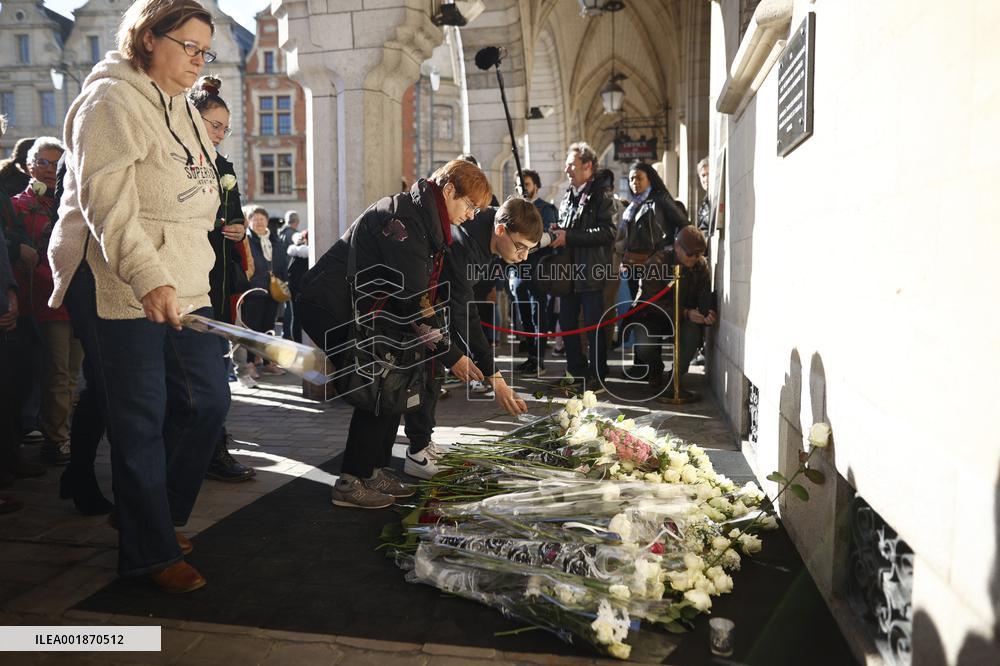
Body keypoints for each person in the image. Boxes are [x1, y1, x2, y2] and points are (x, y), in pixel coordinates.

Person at [47, 0, 230, 593]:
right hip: (116, 280)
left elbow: (195, 193)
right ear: (149, 38)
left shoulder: (182, 104)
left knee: (206, 401)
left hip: (185, 278)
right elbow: (108, 205)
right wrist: (150, 276)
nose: (199, 61)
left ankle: (149, 515)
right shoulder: (111, 101)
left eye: (207, 50)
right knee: (139, 418)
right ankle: (148, 552)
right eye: (190, 47)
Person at [297, 159, 493, 509]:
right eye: (470, 205)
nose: (472, 215)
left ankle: (374, 470)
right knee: (377, 382)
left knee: (392, 379)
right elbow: (414, 301)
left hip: (364, 307)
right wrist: (452, 356)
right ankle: (350, 481)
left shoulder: (424, 219)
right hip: (330, 304)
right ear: (448, 191)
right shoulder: (403, 221)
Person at [404, 197, 540, 478]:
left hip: (433, 306)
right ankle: (416, 452)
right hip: (415, 310)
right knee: (421, 378)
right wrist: (495, 377)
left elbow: (466, 307)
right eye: (521, 248)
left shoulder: (488, 234)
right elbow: (466, 314)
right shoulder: (466, 243)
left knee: (432, 377)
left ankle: (423, 443)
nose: (524, 257)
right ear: (501, 231)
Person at [188, 76, 255, 483]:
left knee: (213, 369)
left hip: (217, 280)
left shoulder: (225, 167)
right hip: (186, 278)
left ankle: (213, 447)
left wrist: (239, 229)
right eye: (215, 125)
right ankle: (210, 449)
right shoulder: (179, 160)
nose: (220, 134)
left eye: (225, 128)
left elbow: (236, 214)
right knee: (204, 378)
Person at [10, 137, 84, 467]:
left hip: (75, 299)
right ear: (29, 165)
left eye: (56, 164)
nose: (50, 170)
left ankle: (59, 434)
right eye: (43, 162)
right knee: (56, 375)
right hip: (43, 301)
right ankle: (57, 439)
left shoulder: (70, 203)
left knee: (71, 374)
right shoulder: (16, 206)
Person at [0, 114, 46, 515]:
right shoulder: (10, 191)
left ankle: (9, 459)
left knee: (12, 383)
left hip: (10, 295)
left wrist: (9, 290)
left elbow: (5, 237)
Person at [549, 142, 616, 385]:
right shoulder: (568, 194)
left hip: (591, 271)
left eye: (571, 165)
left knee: (593, 325)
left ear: (588, 166)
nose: (567, 170)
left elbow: (608, 232)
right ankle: (575, 372)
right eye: (567, 165)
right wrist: (558, 230)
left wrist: (569, 236)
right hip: (568, 273)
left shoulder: (602, 193)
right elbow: (570, 225)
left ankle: (597, 374)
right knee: (566, 323)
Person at [630, 226, 715, 390]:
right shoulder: (656, 263)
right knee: (644, 347)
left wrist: (708, 313)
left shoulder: (700, 266)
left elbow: (704, 295)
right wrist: (685, 312)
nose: (694, 258)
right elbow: (650, 301)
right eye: (690, 253)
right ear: (677, 247)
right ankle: (656, 368)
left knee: (692, 336)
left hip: (684, 318)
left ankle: (675, 378)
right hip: (652, 316)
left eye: (699, 254)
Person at [618, 161, 689, 312]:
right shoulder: (632, 206)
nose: (634, 182)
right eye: (631, 179)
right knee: (636, 308)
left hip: (655, 264)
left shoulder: (660, 198)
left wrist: (670, 251)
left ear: (649, 178)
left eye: (639, 178)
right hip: (632, 265)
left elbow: (683, 223)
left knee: (652, 308)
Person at [511, 169, 557, 376]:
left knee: (539, 316)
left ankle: (539, 360)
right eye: (519, 185)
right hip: (519, 272)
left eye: (526, 184)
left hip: (539, 270)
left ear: (536, 186)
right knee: (524, 317)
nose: (523, 188)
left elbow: (548, 236)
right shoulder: (515, 209)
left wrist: (526, 245)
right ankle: (530, 357)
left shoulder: (546, 209)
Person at [240, 205, 284, 376]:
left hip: (272, 291)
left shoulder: (274, 239)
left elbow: (281, 263)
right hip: (254, 291)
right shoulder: (247, 240)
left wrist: (283, 281)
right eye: (255, 219)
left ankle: (268, 362)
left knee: (269, 328)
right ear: (249, 221)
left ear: (267, 221)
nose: (259, 222)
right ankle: (250, 363)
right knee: (252, 329)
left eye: (262, 219)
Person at [278, 211, 300, 340]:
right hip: (290, 275)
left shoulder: (280, 233)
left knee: (287, 306)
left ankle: (285, 333)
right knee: (290, 309)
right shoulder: (292, 234)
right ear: (296, 222)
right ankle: (288, 335)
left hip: (282, 274)